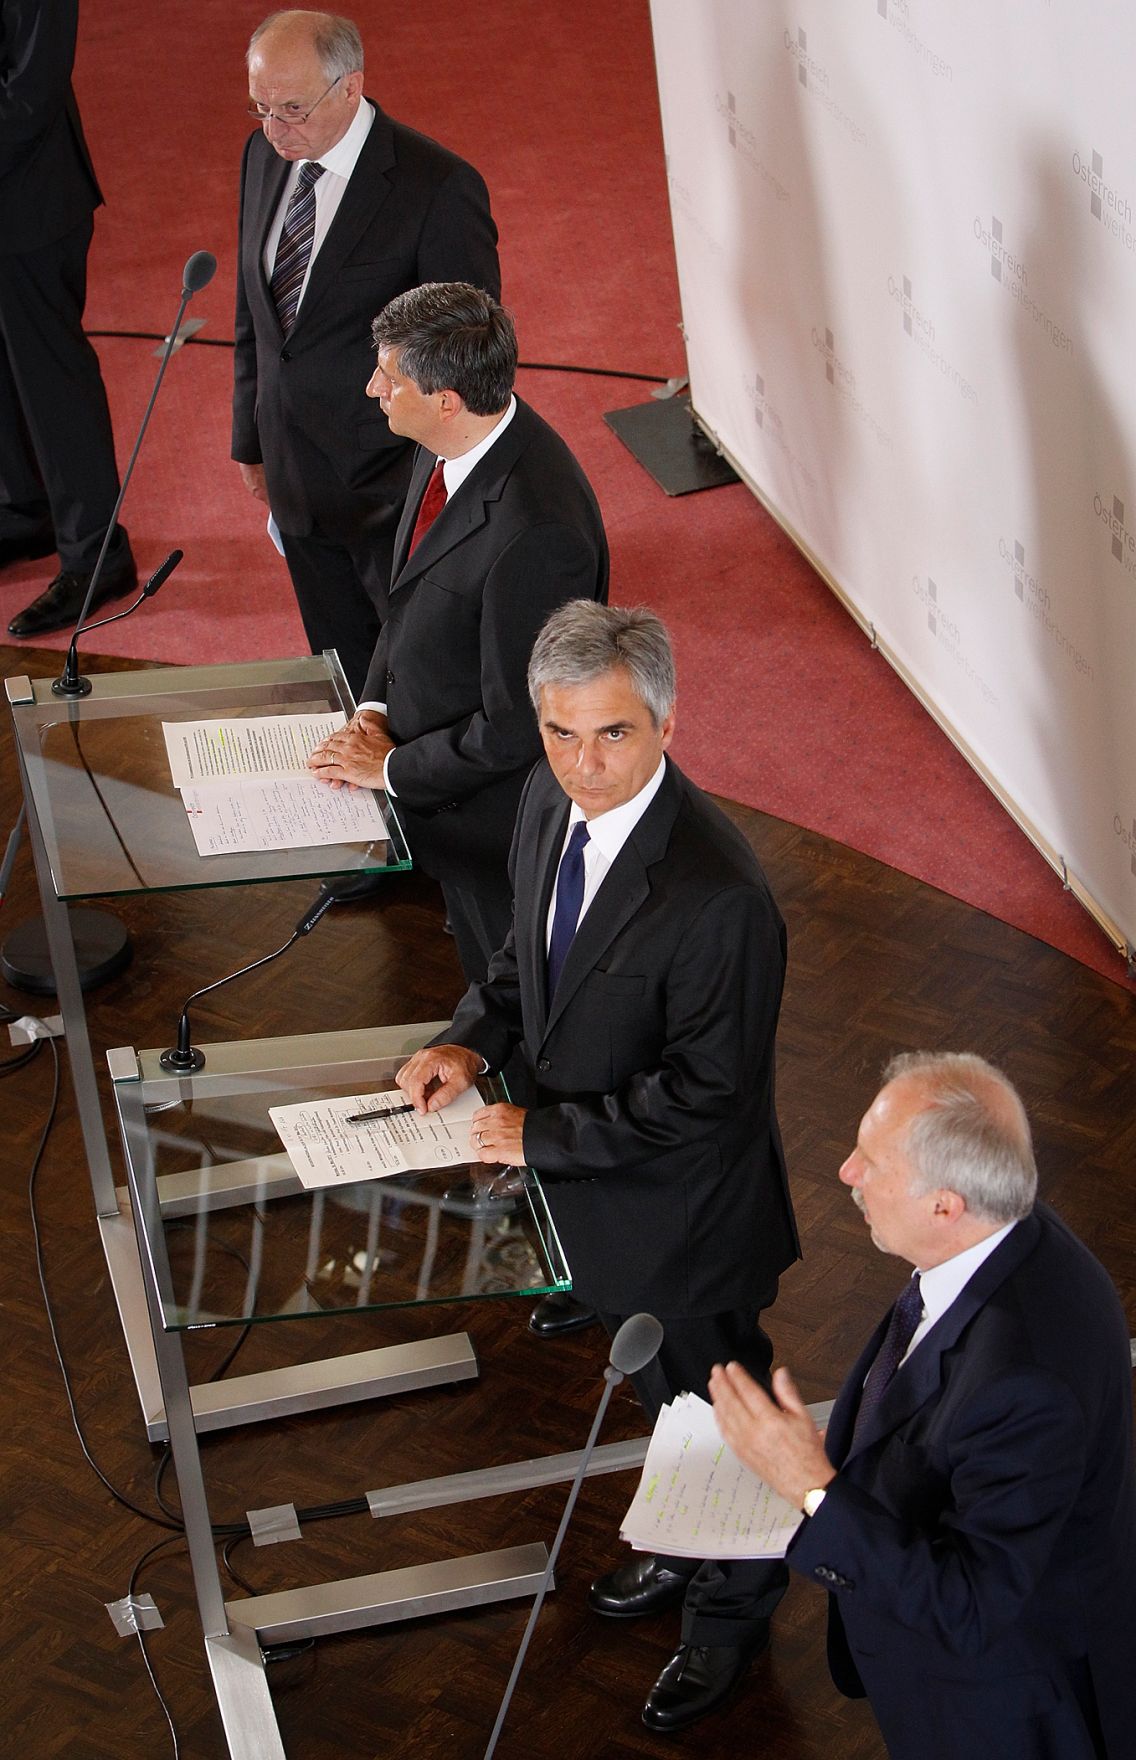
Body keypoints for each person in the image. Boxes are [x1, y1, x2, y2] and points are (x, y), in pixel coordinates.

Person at [393, 602, 800, 1732]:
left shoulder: (721, 897)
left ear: (667, 724)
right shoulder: (545, 798)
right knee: (667, 1404)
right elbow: (525, 954)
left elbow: (708, 1103)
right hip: (602, 1200)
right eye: (562, 733)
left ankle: (733, 1613)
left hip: (686, 1218)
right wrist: (471, 1034)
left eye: (612, 734)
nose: (583, 763)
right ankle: (682, 1550)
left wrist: (540, 1136)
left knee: (719, 1410)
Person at [710, 1052, 1136, 1760]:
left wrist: (812, 1488)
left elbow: (970, 1607)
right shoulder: (1012, 1229)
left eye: (871, 1163)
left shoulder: (1022, 1384)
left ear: (946, 1205)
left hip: (1001, 1713)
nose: (847, 1172)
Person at [307, 284, 609, 988]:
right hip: (446, 804)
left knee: (519, 1006)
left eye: (391, 376)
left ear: (446, 397)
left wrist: (387, 769)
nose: (372, 387)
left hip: (498, 835)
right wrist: (373, 713)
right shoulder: (445, 443)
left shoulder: (538, 532)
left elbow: (520, 725)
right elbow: (408, 601)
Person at [234, 10, 500, 696]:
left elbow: (467, 359)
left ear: (350, 87)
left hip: (392, 489)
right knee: (342, 677)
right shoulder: (262, 157)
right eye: (261, 107)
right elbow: (256, 316)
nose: (274, 129)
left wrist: (438, 490)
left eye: (293, 108)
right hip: (295, 477)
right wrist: (252, 441)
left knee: (423, 677)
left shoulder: (437, 189)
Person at [1, 0, 136, 639]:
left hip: (28, 198)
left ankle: (96, 553)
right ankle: (22, 510)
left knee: (50, 375)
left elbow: (32, 88)